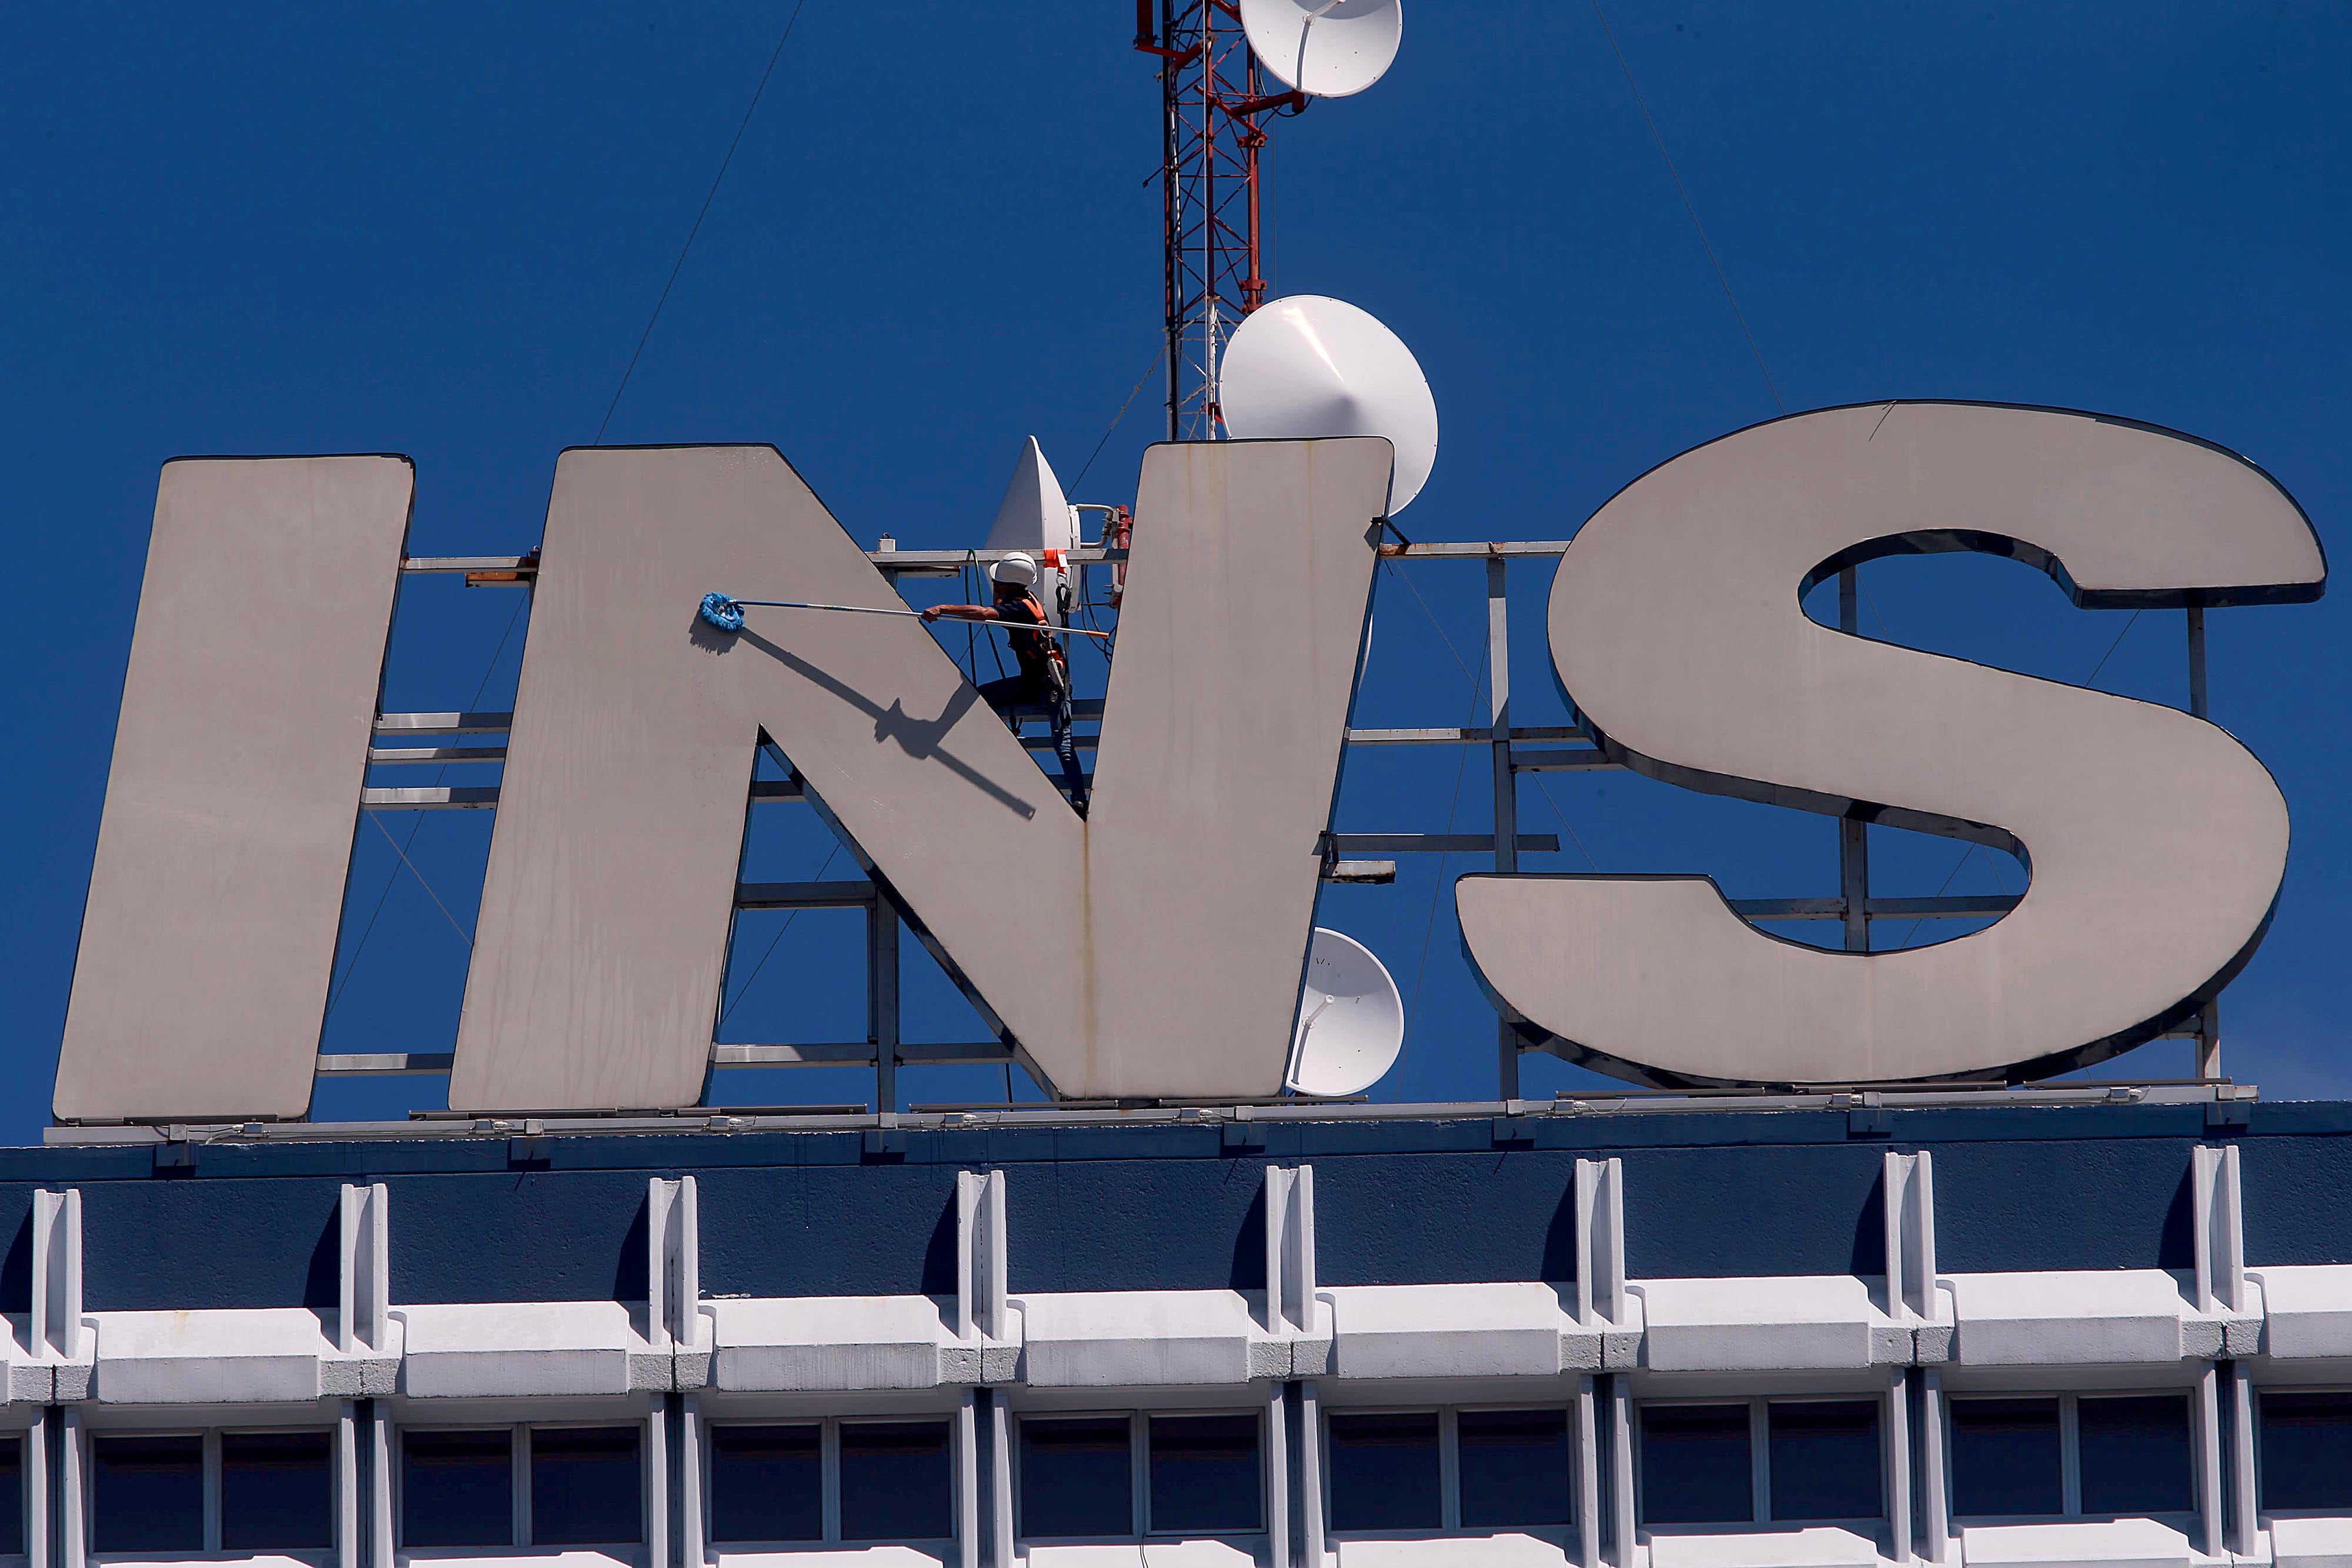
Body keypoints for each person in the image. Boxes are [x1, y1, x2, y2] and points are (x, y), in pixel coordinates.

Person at [923, 553, 1088, 815]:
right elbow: (998, 609)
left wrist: (942, 609)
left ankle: (1079, 799)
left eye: (999, 582)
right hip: (1041, 681)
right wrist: (1001, 590)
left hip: (1048, 685)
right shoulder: (1025, 600)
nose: (996, 585)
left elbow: (986, 613)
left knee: (1062, 742)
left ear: (1009, 584)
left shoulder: (1019, 607)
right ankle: (1079, 798)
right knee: (984, 700)